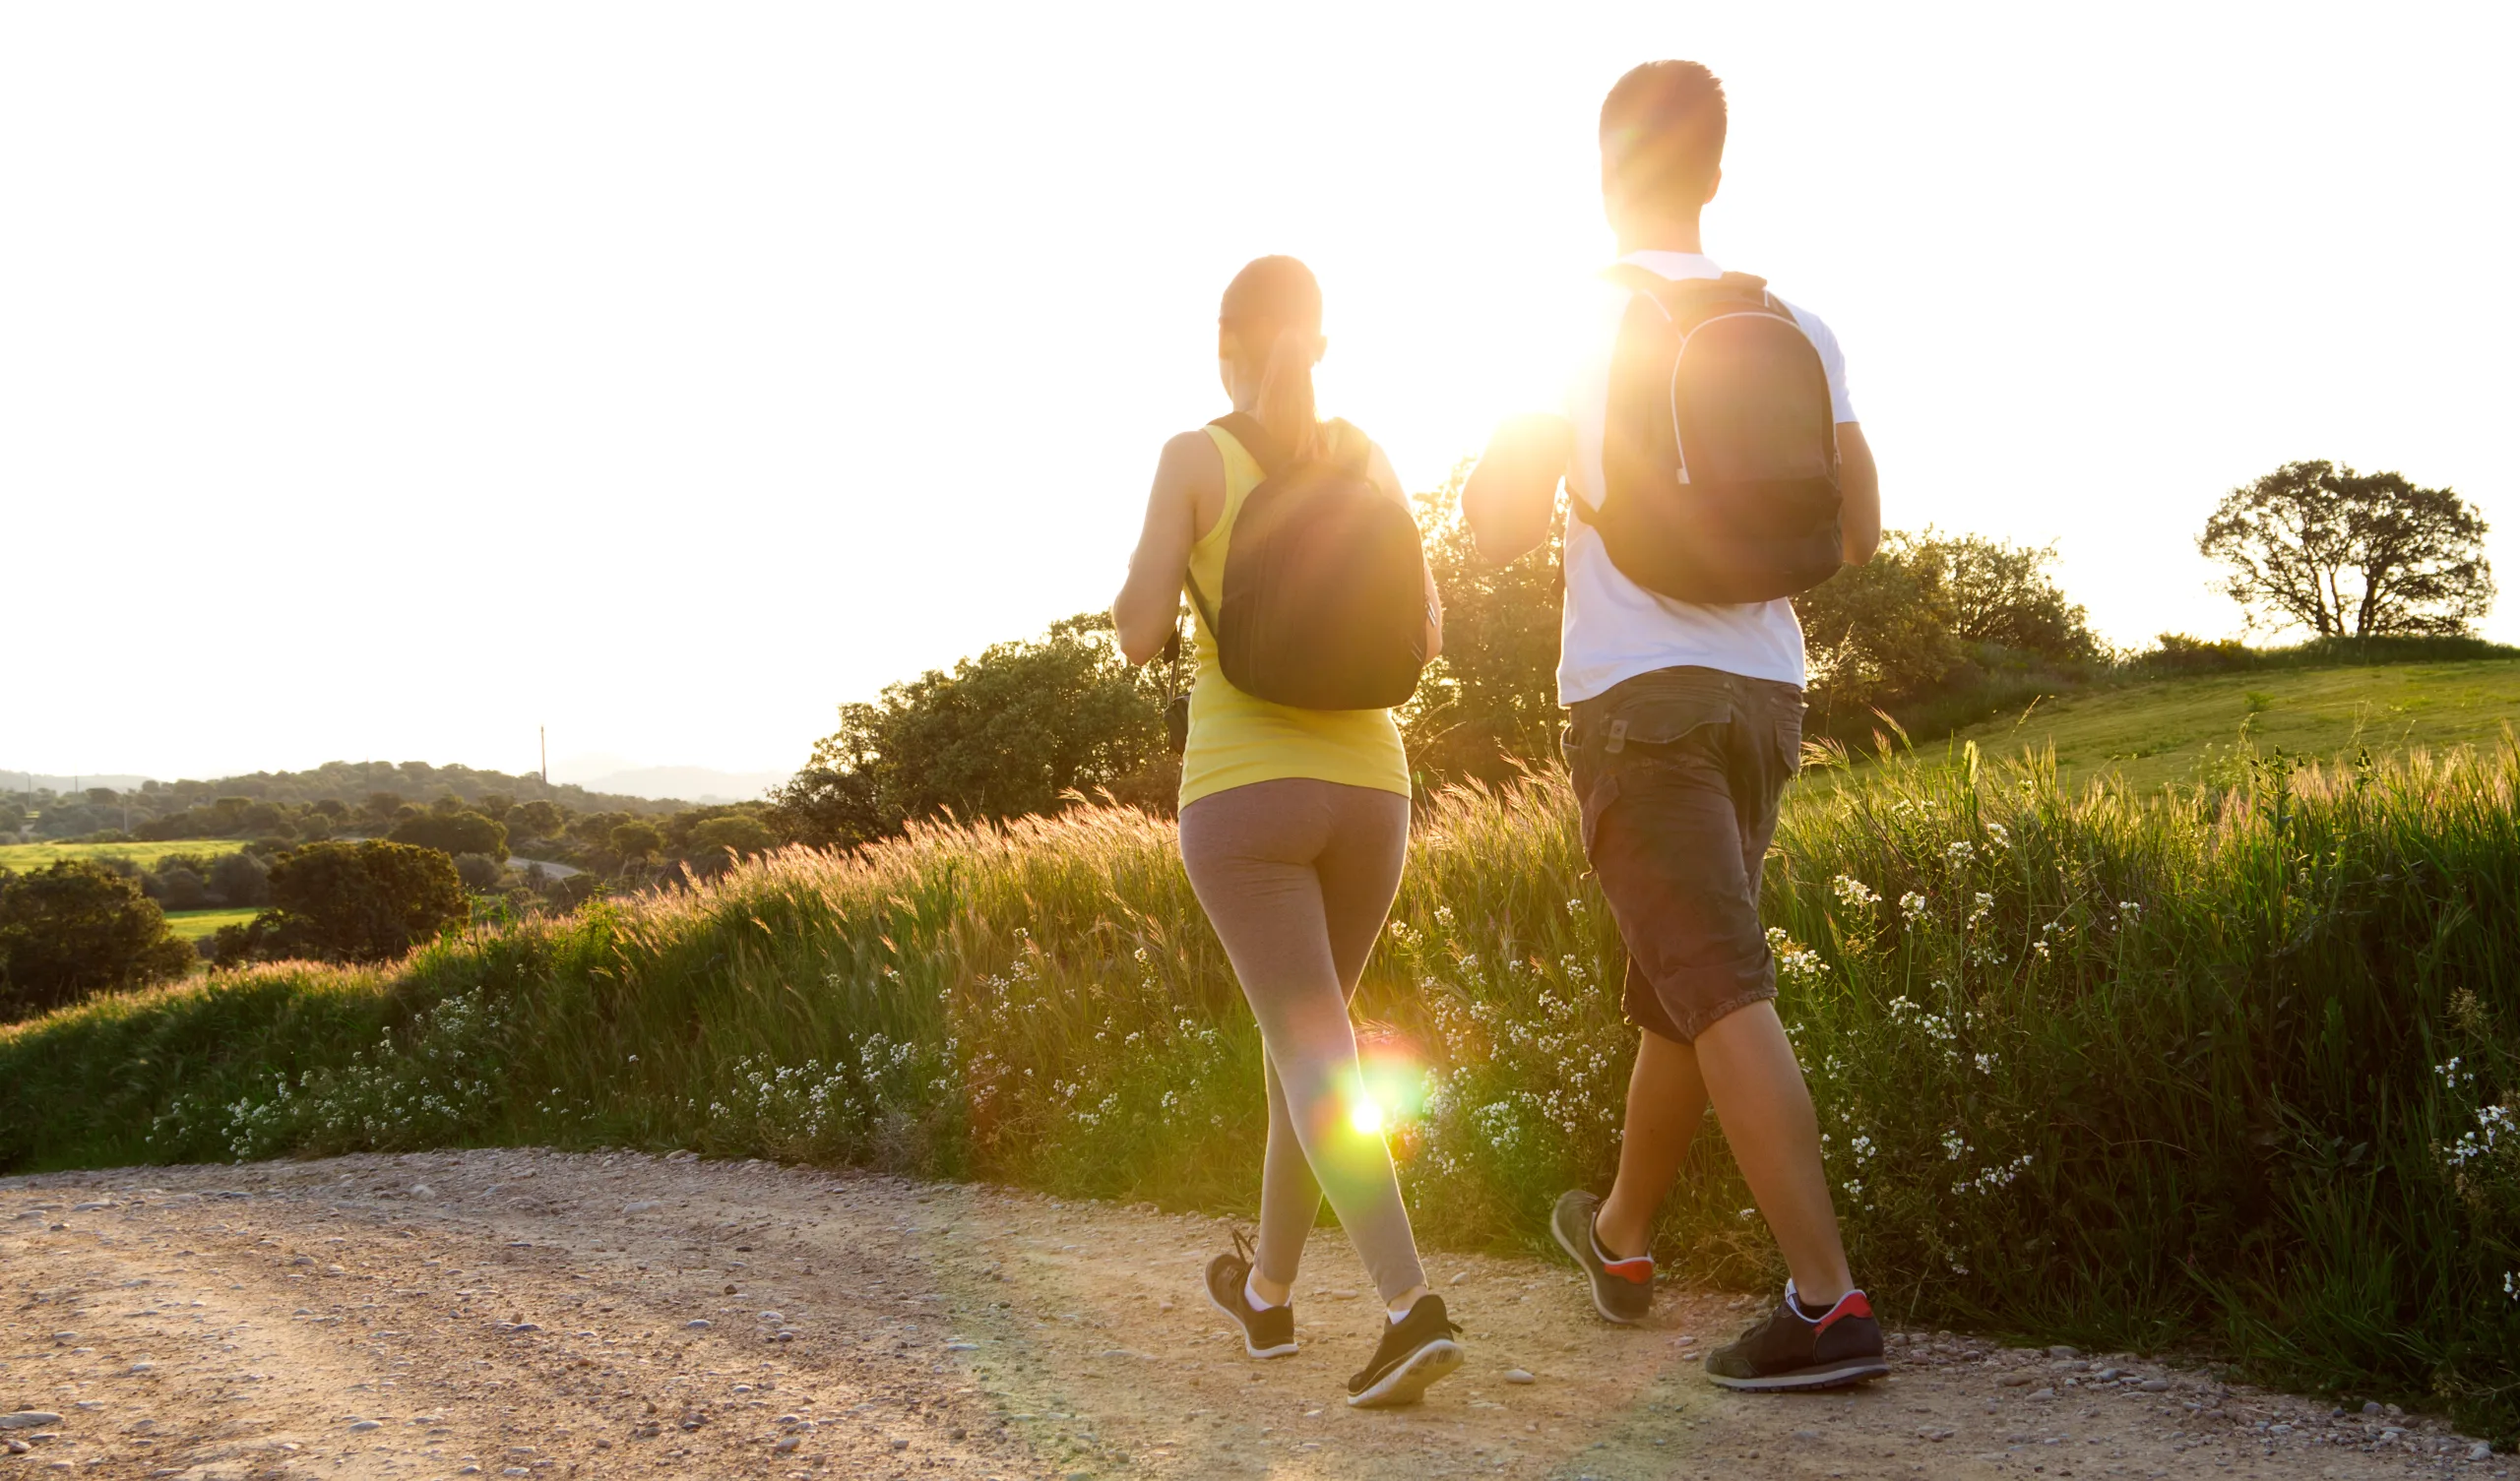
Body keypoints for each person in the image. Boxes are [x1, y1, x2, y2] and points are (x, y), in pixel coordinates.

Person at [1461, 61, 1889, 1391]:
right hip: (1767, 690)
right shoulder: (1799, 324)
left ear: (1602, 182)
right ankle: (1623, 1236)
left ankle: (1826, 1302)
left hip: (1637, 698)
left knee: (1719, 986)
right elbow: (1857, 528)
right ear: (1713, 176)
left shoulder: (1577, 329)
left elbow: (1491, 531)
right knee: (1682, 994)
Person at [1111, 255, 1464, 1408]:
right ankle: (1264, 1293)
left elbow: (1135, 632)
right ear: (1316, 342)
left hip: (1245, 794)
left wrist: (1163, 585)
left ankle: (1412, 1306)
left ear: (1226, 345)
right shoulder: (1367, 454)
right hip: (1374, 789)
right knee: (1302, 1052)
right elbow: (1425, 629)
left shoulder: (1191, 457)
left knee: (1316, 1054)